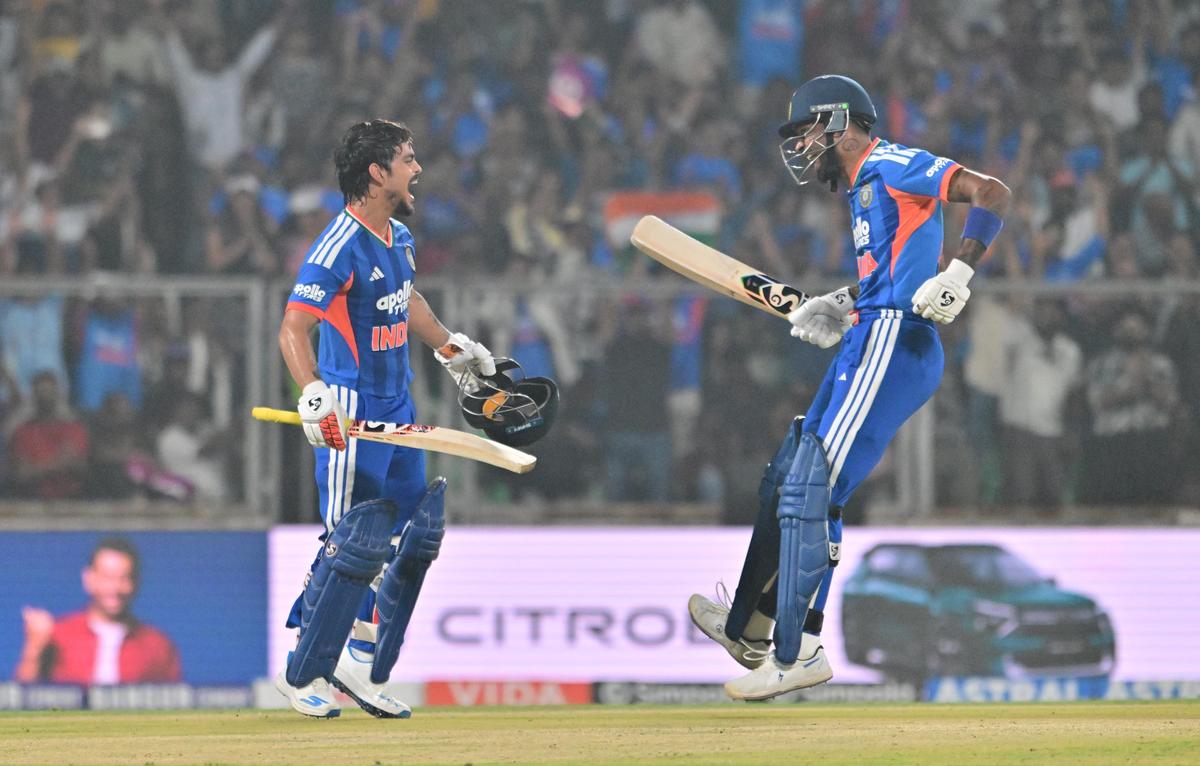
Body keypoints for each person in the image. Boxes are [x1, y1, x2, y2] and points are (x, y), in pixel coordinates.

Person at [687, 75, 1011, 700]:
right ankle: (751, 628)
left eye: (808, 128)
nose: (803, 144)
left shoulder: (891, 161)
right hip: (871, 332)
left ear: (839, 121)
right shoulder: (864, 186)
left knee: (812, 485)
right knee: (790, 477)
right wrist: (838, 302)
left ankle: (797, 649)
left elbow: (990, 193)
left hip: (897, 339)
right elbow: (890, 271)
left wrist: (960, 272)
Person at [274, 119, 496, 719]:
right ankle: (303, 673)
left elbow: (408, 300)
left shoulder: (397, 236)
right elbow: (294, 327)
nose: (417, 167)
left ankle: (357, 664)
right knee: (352, 541)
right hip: (351, 413)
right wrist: (314, 393)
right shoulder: (336, 246)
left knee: (409, 534)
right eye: (407, 158)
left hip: (399, 407)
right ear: (378, 173)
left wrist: (450, 348)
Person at [14, 537, 180, 685]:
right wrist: (33, 648)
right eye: (107, 577)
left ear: (136, 583)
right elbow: (21, 700)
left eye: (123, 578)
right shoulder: (58, 635)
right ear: (89, 579)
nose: (115, 588)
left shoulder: (157, 645)